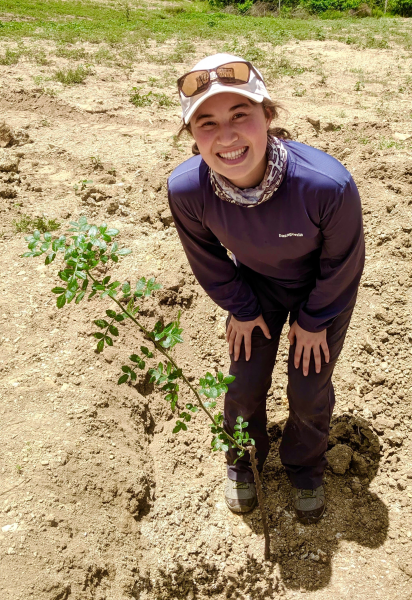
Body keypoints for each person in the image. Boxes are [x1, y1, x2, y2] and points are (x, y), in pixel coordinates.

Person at [167, 53, 365, 524]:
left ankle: (306, 469)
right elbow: (208, 260)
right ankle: (243, 461)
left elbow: (343, 262)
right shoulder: (186, 190)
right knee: (244, 382)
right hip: (255, 289)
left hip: (322, 291)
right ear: (192, 135)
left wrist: (314, 321)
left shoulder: (325, 185)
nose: (227, 136)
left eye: (241, 116)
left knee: (308, 387)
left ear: (268, 117)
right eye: (207, 123)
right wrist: (239, 306)